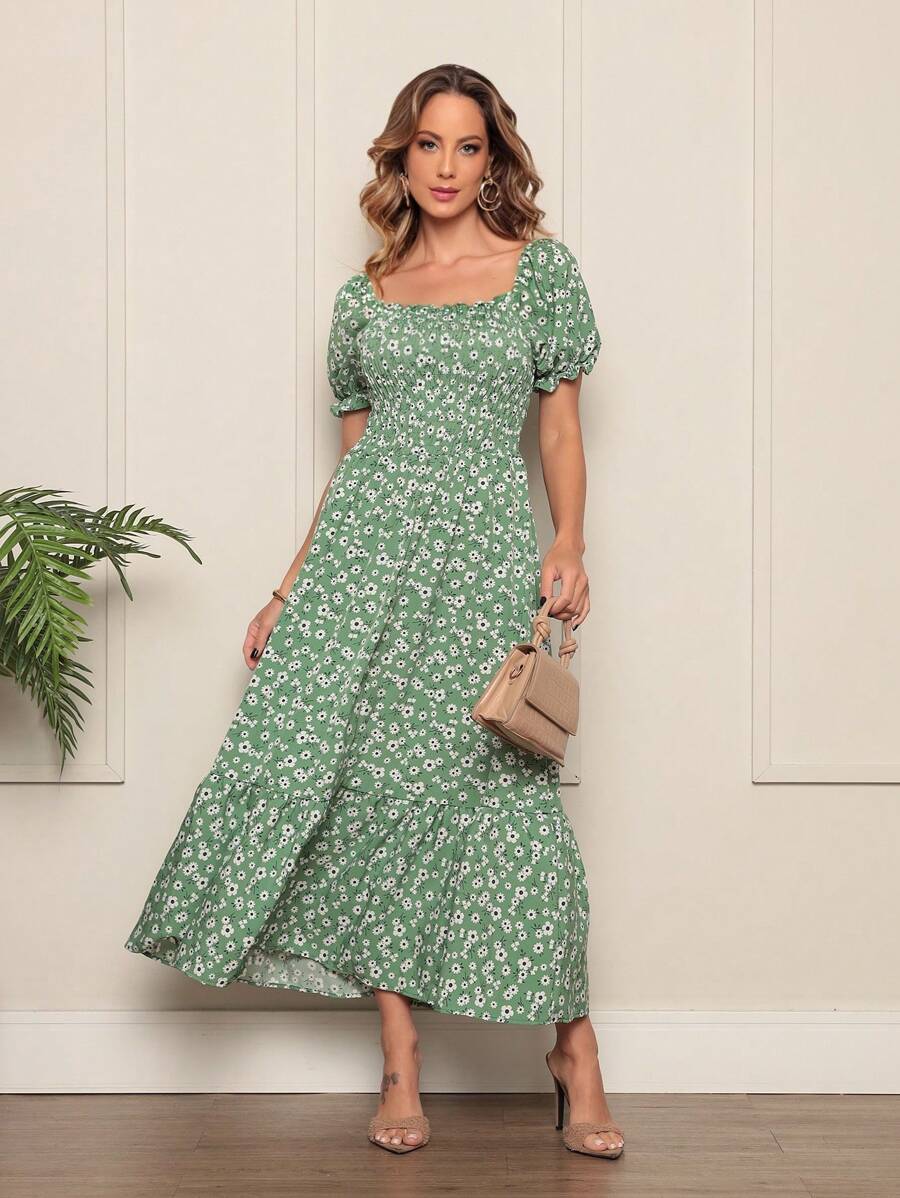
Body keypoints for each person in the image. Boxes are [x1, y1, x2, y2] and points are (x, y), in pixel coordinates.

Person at [124, 62, 624, 1161]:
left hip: (480, 565)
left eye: (468, 146)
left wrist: (569, 542)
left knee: (510, 802)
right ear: (400, 155)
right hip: (364, 574)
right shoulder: (367, 297)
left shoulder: (540, 273)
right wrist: (288, 590)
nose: (446, 166)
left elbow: (558, 430)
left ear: (493, 161)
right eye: (427, 144)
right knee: (369, 801)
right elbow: (354, 471)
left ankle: (574, 1050)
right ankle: (399, 1057)